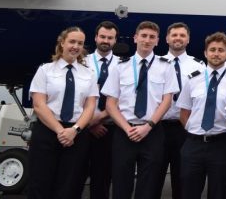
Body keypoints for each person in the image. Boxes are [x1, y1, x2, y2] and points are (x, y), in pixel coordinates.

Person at [102, 21, 179, 199]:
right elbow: (110, 104)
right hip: (124, 132)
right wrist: (127, 128)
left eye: (152, 37)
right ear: (135, 38)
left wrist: (148, 126)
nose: (147, 40)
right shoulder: (120, 66)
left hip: (152, 131)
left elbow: (167, 101)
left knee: (149, 185)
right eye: (143, 36)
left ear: (157, 41)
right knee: (121, 183)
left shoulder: (166, 66)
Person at [28, 27, 98, 199]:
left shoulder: (89, 74)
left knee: (70, 186)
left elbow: (90, 107)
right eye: (72, 42)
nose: (76, 46)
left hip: (76, 135)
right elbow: (39, 104)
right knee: (40, 183)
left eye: (80, 43)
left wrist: (74, 130)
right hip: (48, 131)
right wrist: (61, 131)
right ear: (62, 43)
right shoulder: (45, 70)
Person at [177, 32, 226, 199]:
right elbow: (184, 112)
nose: (216, 53)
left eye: (221, 50)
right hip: (194, 144)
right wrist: (194, 131)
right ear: (205, 53)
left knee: (220, 192)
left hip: (222, 144)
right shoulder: (192, 79)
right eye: (212, 50)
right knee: (189, 192)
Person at [159, 22, 202, 199]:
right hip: (158, 128)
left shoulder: (199, 66)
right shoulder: (156, 64)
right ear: (167, 38)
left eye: (182, 35)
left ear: (188, 39)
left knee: (183, 178)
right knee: (154, 177)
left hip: (184, 128)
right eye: (174, 35)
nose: (178, 38)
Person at [85, 21, 120, 199]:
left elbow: (124, 98)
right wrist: (89, 123)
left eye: (110, 38)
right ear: (96, 38)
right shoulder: (82, 62)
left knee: (102, 178)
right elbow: (76, 96)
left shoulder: (123, 65)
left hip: (109, 129)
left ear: (115, 40)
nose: (106, 41)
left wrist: (99, 119)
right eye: (102, 37)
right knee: (75, 175)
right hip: (82, 127)